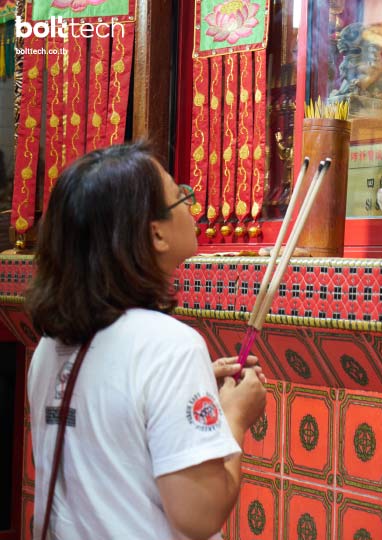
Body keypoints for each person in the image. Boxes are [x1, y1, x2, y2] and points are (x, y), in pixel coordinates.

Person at [24, 142, 267, 540]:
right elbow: (199, 515)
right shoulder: (170, 347)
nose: (192, 205)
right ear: (156, 233)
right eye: (180, 196)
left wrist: (186, 389)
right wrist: (234, 417)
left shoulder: (49, 348)